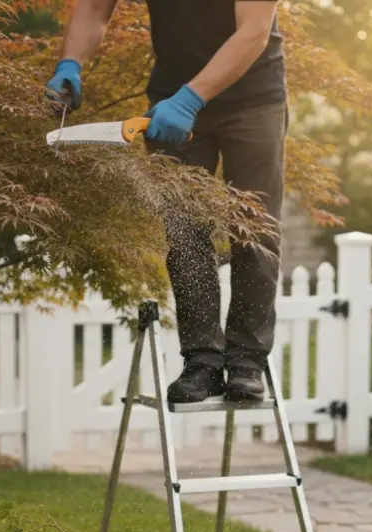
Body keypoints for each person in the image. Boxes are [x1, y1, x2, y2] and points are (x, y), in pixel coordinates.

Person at [46, 0, 287, 403]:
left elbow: (253, 32)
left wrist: (190, 99)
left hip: (252, 99)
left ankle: (247, 361)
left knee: (254, 226)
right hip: (169, 100)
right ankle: (203, 363)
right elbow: (92, 10)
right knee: (184, 231)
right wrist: (70, 63)